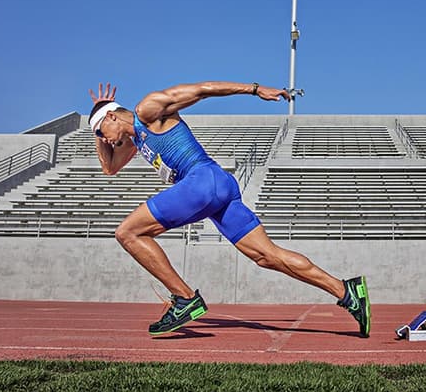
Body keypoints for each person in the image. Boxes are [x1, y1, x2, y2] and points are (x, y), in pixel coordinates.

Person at [87, 81, 371, 337]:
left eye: (102, 131)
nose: (104, 139)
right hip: (218, 188)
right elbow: (109, 167)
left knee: (128, 233)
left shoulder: (146, 111)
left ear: (112, 115)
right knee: (266, 256)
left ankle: (184, 298)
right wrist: (96, 125)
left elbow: (202, 89)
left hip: (201, 181)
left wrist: (255, 89)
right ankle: (347, 292)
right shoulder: (134, 139)